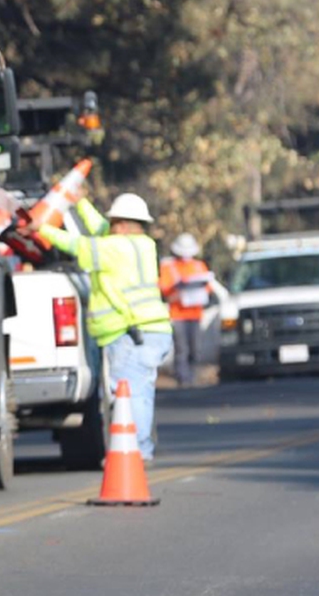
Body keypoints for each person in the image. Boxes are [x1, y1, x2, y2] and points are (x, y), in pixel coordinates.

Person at [23, 191, 173, 461]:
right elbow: (100, 229)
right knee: (142, 393)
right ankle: (142, 449)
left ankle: (134, 454)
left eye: (114, 222)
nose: (109, 227)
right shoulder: (144, 245)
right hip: (154, 330)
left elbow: (76, 245)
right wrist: (79, 202)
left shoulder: (113, 249)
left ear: (123, 225)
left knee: (130, 395)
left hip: (130, 333)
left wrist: (41, 228)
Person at [159, 234, 216, 388]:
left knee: (195, 349)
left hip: (195, 314)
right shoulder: (168, 267)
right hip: (177, 314)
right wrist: (178, 294)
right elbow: (165, 290)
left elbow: (208, 288)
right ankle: (183, 379)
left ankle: (191, 375)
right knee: (181, 348)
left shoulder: (199, 266)